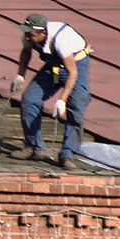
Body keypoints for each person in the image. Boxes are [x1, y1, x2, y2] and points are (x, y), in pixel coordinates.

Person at [11, 12, 93, 165]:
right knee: (30, 99)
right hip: (53, 66)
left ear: (42, 32)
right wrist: (20, 75)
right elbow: (26, 52)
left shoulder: (61, 40)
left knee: (75, 107)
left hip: (76, 66)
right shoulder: (30, 36)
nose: (27, 36)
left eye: (31, 34)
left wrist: (62, 100)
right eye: (26, 33)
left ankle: (67, 154)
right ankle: (34, 146)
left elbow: (73, 72)